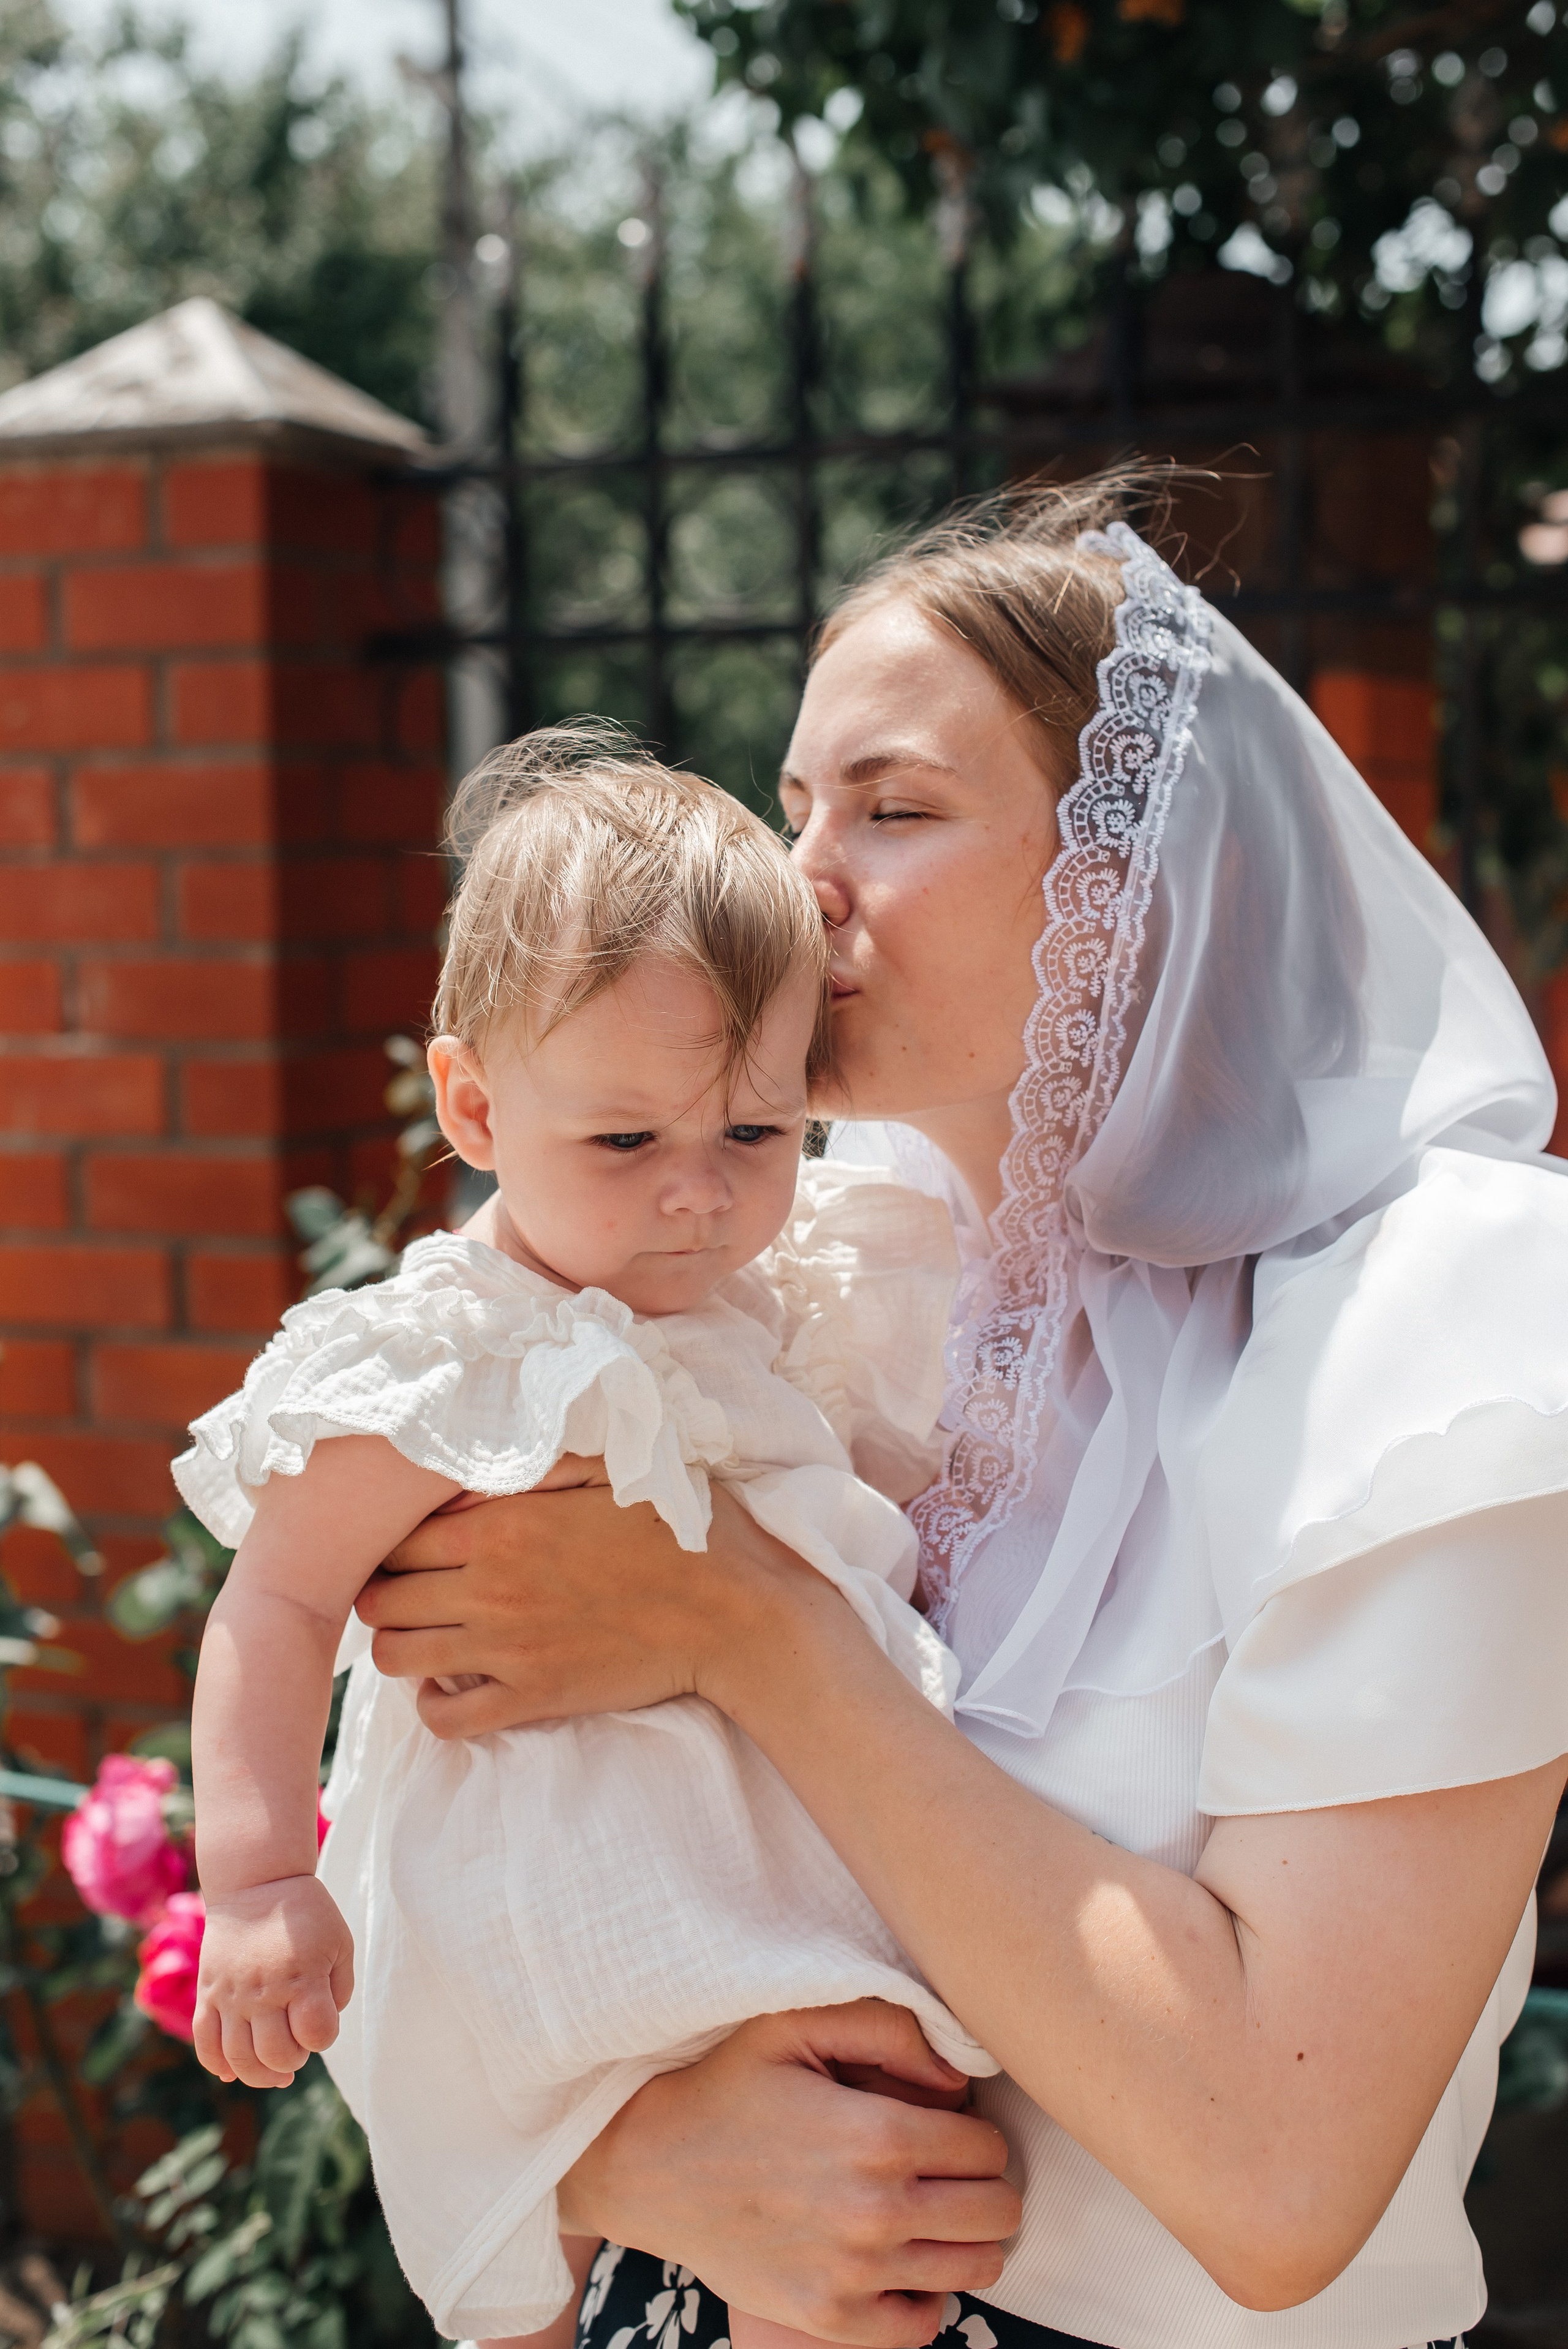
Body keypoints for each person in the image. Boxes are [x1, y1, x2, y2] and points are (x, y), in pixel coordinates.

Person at [357, 480, 1568, 2349]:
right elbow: (421, 1796)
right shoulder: (783, 1269)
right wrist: (616, 2158)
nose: (796, 880)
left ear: (1150, 865)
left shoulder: (1452, 1327)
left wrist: (745, 1622)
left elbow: (1274, 2178)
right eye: (794, 809)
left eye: (896, 809)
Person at [175, 736, 997, 2349]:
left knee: (865, 2134)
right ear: (475, 1101)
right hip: (531, 1867)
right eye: (625, 1143)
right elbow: (269, 1602)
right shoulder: (443, 1357)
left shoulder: (783, 1300)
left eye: (753, 1137)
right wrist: (260, 1876)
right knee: (526, 2246)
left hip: (760, 1854)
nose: (696, 1196)